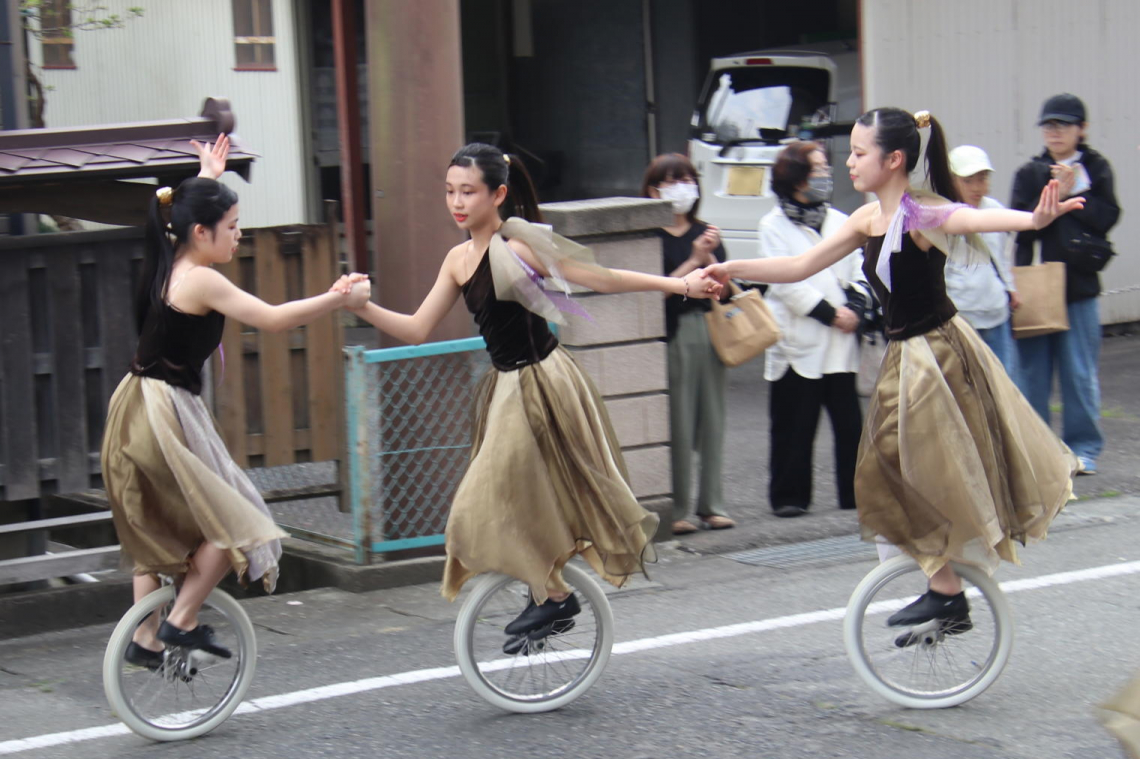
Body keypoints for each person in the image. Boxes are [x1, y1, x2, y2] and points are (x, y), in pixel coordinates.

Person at [704, 108, 1080, 637]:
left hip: (937, 356)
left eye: (860, 153)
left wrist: (1033, 220)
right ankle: (944, 588)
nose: (849, 163)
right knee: (895, 473)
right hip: (905, 357)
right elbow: (797, 268)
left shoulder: (921, 214)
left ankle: (946, 591)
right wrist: (730, 268)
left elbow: (968, 219)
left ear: (895, 159)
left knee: (908, 472)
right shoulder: (865, 218)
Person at [342, 142, 723, 654]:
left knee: (489, 498)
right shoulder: (457, 260)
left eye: (468, 192)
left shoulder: (518, 246)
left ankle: (554, 596)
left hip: (543, 382)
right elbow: (415, 329)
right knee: (510, 496)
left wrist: (681, 286)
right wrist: (361, 308)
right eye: (450, 191)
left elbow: (600, 278)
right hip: (507, 386)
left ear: (498, 195)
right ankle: (549, 590)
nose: (457, 202)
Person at [101, 134, 370, 667]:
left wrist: (208, 177)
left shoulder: (166, 263)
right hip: (163, 412)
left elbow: (191, 214)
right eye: (232, 226)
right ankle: (180, 621)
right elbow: (272, 319)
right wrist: (338, 298)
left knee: (156, 523)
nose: (239, 235)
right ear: (201, 232)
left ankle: (146, 639)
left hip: (134, 406)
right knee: (236, 521)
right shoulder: (201, 280)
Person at [1011, 93, 1120, 476]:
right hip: (1035, 286)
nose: (1054, 132)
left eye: (1063, 124)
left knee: (1079, 374)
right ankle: (1039, 452)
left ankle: (1083, 450)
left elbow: (1107, 218)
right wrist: (1054, 193)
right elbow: (1020, 227)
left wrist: (1076, 192)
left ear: (1081, 129)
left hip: (1079, 286)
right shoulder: (1030, 172)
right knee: (1032, 376)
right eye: (1048, 125)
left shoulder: (1097, 168)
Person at [758, 141, 868, 518]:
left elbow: (858, 268)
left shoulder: (840, 220)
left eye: (824, 167)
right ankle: (790, 496)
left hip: (841, 340)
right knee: (794, 424)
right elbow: (786, 284)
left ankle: (856, 494)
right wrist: (831, 314)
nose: (825, 175)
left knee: (850, 425)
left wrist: (856, 307)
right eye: (817, 169)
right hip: (798, 341)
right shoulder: (772, 226)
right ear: (796, 178)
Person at [642, 153, 733, 534]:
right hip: (674, 334)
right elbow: (652, 293)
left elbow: (724, 292)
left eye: (688, 179)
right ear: (654, 190)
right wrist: (694, 259)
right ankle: (677, 509)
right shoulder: (650, 236)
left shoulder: (706, 232)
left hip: (709, 329)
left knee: (713, 421)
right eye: (673, 180)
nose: (683, 187)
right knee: (678, 424)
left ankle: (712, 504)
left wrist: (710, 258)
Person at [945, 145, 1020, 382]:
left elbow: (1002, 255)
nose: (977, 187)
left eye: (982, 178)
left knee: (1002, 386)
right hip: (960, 317)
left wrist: (1010, 287)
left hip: (997, 312)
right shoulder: (942, 215)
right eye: (968, 181)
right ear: (951, 180)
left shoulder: (994, 209)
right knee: (965, 388)